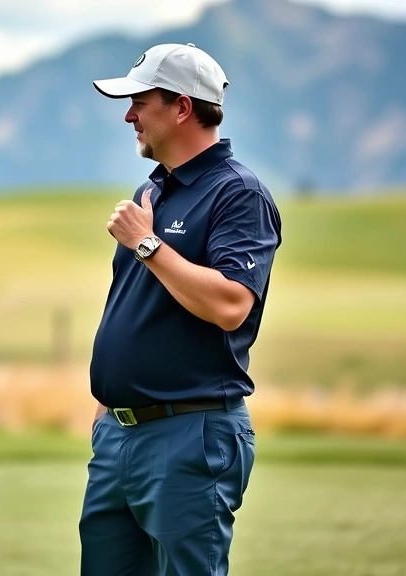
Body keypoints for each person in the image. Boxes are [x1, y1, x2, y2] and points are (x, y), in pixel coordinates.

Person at [80, 43, 283, 576]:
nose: (128, 116)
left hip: (190, 435)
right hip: (120, 434)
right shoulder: (153, 190)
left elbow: (232, 304)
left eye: (139, 102)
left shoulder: (238, 194)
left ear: (181, 107)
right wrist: (110, 407)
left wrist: (148, 245)